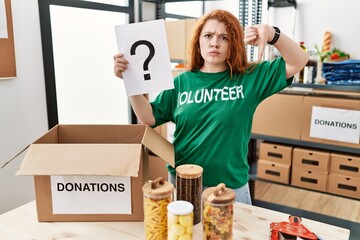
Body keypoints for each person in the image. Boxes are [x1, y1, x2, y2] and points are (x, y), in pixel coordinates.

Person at [113, 9, 308, 204]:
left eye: (224, 37)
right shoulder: (181, 82)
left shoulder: (249, 78)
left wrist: (272, 33)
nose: (215, 42)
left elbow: (299, 60)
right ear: (198, 41)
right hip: (185, 181)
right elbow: (148, 118)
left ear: (233, 44)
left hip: (230, 186)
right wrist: (131, 82)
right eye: (208, 36)